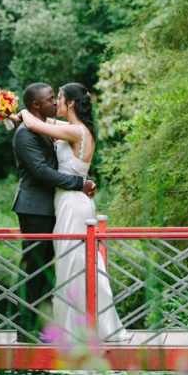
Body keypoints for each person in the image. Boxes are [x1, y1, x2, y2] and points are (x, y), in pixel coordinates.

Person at [12, 82, 129, 342]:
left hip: (72, 205)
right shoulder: (60, 129)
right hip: (60, 203)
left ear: (71, 103)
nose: (56, 102)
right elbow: (39, 137)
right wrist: (17, 115)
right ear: (36, 104)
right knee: (62, 264)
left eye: (59, 98)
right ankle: (43, 327)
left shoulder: (74, 130)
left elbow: (37, 124)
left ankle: (83, 327)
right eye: (51, 98)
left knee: (75, 264)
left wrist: (23, 113)